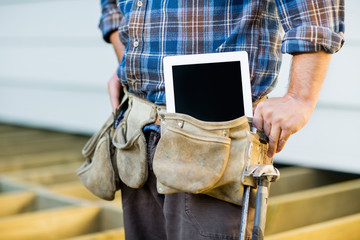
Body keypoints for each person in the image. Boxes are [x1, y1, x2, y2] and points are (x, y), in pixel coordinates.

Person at [99, 0, 344, 239]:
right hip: (136, 135)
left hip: (215, 136)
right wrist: (128, 62)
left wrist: (300, 97)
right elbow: (111, 7)